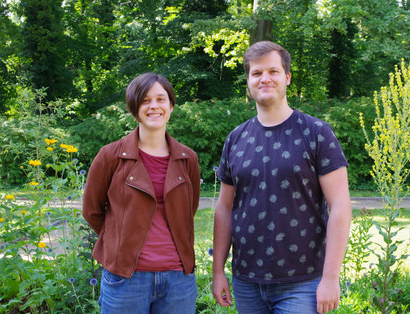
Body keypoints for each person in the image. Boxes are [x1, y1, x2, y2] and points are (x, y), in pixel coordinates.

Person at [212, 41, 352, 314]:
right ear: (249, 82)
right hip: (246, 281)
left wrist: (331, 278)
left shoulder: (317, 132)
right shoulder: (235, 139)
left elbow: (340, 207)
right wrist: (218, 271)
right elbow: (224, 209)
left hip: (303, 281)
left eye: (273, 71)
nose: (265, 78)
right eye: (256, 73)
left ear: (287, 77)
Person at [82, 72, 200, 314]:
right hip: (126, 278)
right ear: (133, 108)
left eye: (161, 99)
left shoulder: (187, 158)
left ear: (171, 106)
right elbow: (92, 210)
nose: (154, 106)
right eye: (145, 100)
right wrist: (120, 241)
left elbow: (190, 209)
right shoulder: (110, 156)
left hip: (178, 279)